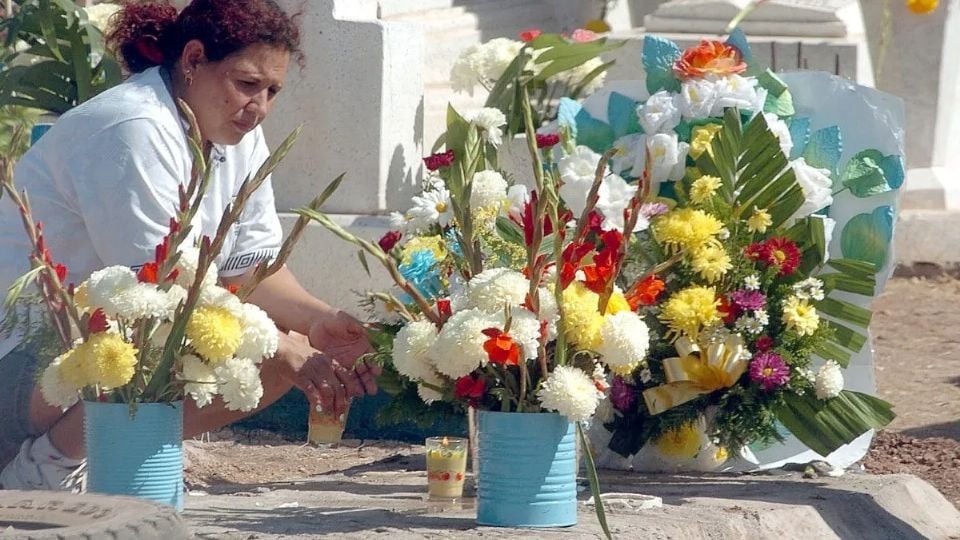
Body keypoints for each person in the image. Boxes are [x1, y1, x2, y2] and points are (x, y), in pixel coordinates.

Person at [0, 0, 379, 491]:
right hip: (22, 360)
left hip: (92, 347)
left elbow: (248, 268)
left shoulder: (238, 134)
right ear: (194, 59)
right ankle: (45, 469)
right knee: (216, 341)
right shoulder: (132, 126)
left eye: (272, 91)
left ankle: (80, 453)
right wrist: (279, 346)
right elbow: (159, 292)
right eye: (247, 84)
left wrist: (318, 321)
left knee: (286, 347)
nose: (260, 107)